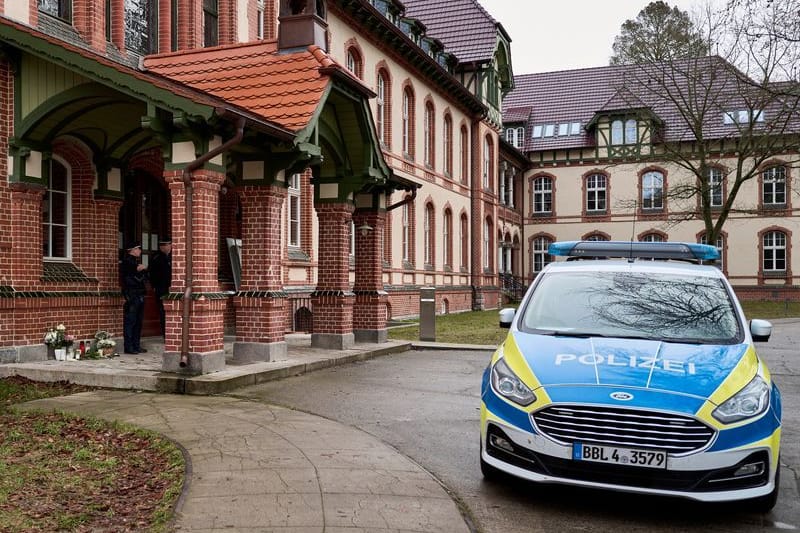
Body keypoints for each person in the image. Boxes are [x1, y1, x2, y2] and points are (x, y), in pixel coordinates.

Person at [121, 242, 148, 354]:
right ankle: (129, 346)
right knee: (131, 321)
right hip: (132, 294)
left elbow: (144, 276)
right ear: (132, 250)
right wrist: (139, 269)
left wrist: (141, 270)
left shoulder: (135, 262)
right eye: (138, 249)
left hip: (139, 293)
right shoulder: (127, 261)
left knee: (138, 322)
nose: (140, 251)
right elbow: (131, 274)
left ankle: (136, 345)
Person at [149, 237, 172, 338]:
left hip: (173, 287)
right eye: (162, 246)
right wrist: (154, 286)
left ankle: (174, 333)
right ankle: (166, 335)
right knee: (163, 311)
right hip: (161, 288)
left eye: (165, 245)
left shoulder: (174, 256)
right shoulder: (156, 257)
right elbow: (152, 273)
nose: (163, 247)